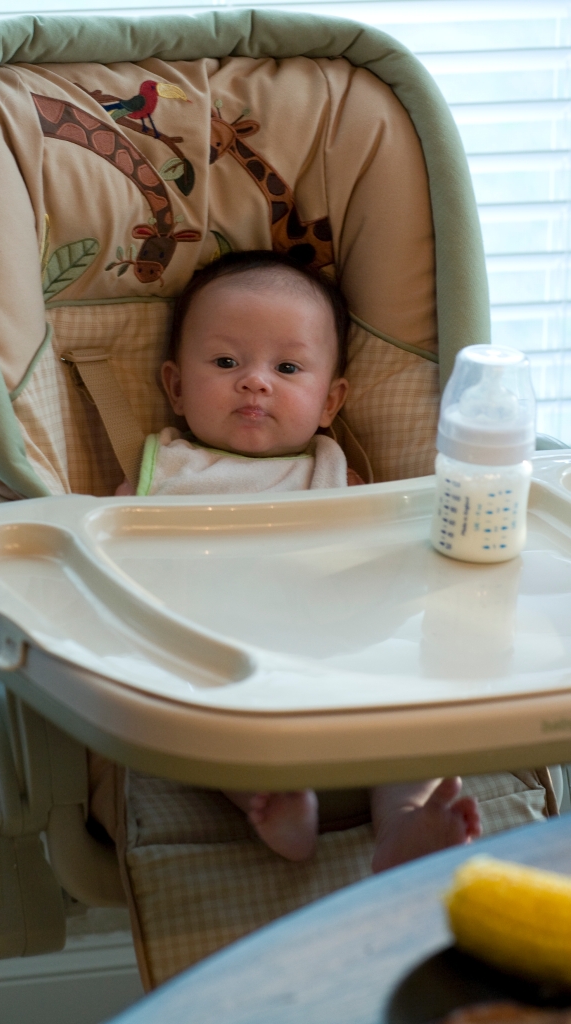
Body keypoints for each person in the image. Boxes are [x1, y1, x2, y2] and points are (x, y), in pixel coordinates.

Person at [117, 250, 482, 870]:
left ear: (331, 401)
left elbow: (386, 558)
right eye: (227, 362)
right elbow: (111, 554)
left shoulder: (337, 473)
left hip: (338, 645)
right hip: (224, 648)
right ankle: (273, 799)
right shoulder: (165, 476)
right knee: (204, 709)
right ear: (175, 387)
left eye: (287, 367)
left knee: (414, 692)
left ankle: (403, 816)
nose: (256, 380)